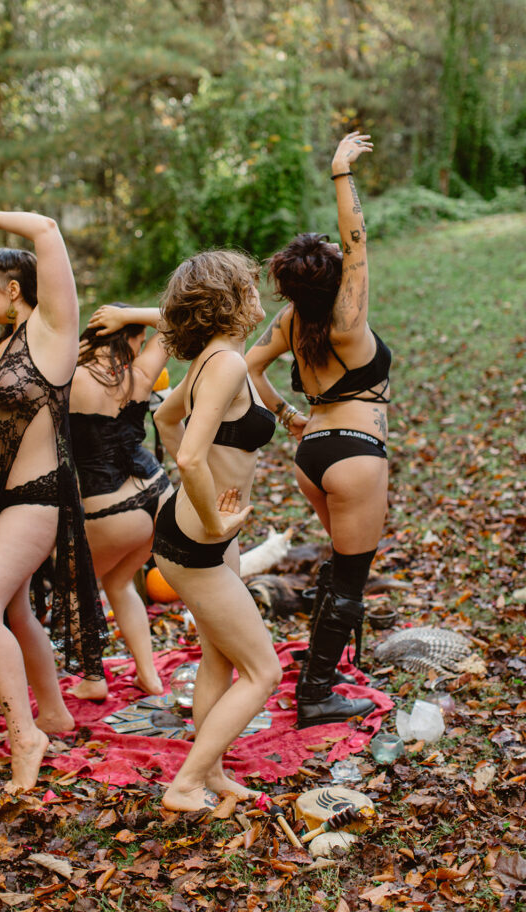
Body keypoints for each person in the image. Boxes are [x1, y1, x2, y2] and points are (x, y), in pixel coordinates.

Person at [0, 211, 107, 792]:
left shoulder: (51, 335)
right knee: (14, 612)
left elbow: (49, 231)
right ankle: (54, 713)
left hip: (37, 496)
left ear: (14, 289)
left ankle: (25, 733)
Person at [245, 132, 388, 728]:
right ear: (334, 277)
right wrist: (340, 173)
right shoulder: (346, 318)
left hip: (313, 454)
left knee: (340, 566)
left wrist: (287, 416)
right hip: (355, 455)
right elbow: (357, 239)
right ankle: (317, 694)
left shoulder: (293, 317)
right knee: (351, 577)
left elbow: (248, 368)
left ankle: (323, 670)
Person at [152, 251, 282, 812]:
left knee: (220, 657)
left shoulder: (213, 360)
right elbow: (187, 456)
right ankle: (184, 784)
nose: (259, 293)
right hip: (198, 540)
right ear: (227, 300)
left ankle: (214, 775)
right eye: (249, 285)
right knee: (264, 671)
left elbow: (164, 417)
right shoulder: (224, 363)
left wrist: (213, 521)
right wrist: (211, 518)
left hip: (205, 537)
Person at [68, 303, 173, 699]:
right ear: (123, 336)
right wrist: (134, 316)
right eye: (139, 339)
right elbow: (173, 317)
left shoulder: (69, 378)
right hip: (158, 494)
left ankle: (93, 678)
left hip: (111, 508)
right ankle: (148, 675)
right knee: (117, 580)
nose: (142, 346)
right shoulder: (140, 374)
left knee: (76, 585)